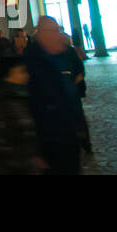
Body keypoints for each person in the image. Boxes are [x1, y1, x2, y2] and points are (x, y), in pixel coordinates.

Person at [24, 16, 83, 175]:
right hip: (49, 142)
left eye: (58, 30)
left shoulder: (63, 53)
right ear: (41, 33)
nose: (59, 34)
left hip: (67, 136)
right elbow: (29, 107)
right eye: (54, 31)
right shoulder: (31, 61)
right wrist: (35, 151)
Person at [0, 55, 40, 174]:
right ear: (7, 75)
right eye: (21, 71)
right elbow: (3, 141)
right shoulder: (2, 102)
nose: (27, 75)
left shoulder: (19, 96)